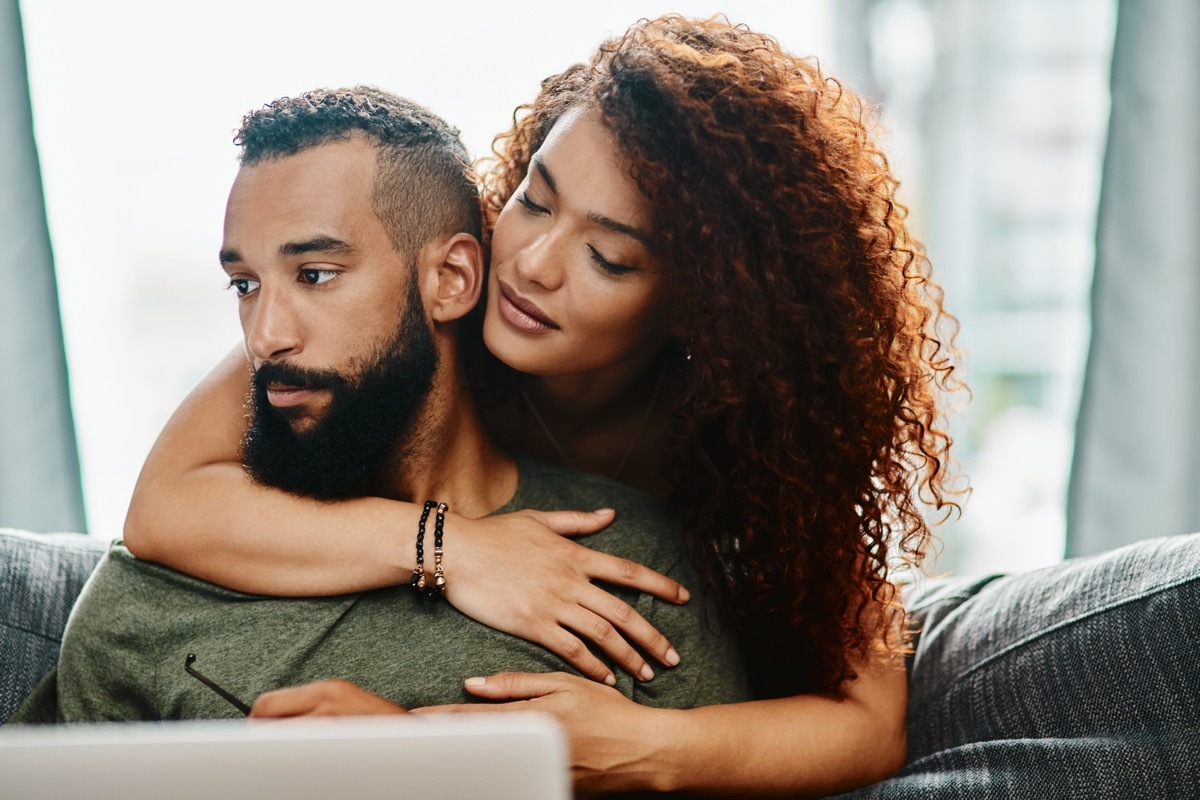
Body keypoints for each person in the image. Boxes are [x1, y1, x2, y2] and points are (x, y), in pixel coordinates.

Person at [121, 16, 927, 796]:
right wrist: (452, 547)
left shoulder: (746, 436)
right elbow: (167, 507)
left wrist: (635, 747)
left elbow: (868, 725)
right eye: (536, 201)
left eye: (608, 256)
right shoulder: (432, 285)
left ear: (705, 305)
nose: (532, 264)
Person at [6, 86, 749, 725]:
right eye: (245, 283)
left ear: (454, 278)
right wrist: (445, 546)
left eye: (318, 273)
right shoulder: (161, 583)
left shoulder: (633, 574)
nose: (266, 336)